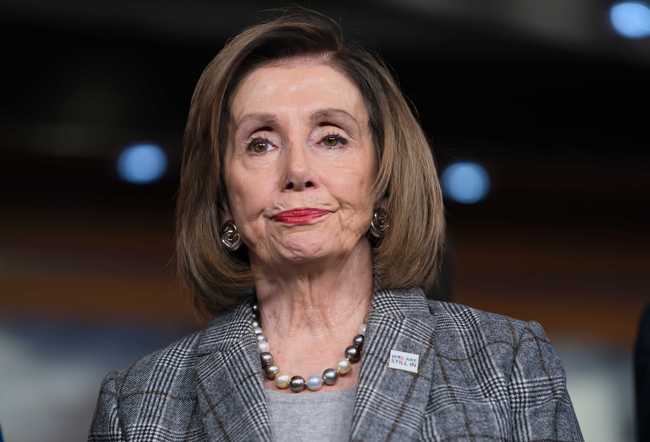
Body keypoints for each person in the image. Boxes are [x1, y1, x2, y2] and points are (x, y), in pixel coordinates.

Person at [89, 9, 583, 441]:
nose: (298, 172)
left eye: (331, 138)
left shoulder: (506, 361)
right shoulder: (138, 401)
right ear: (222, 199)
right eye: (261, 143)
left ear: (382, 177)